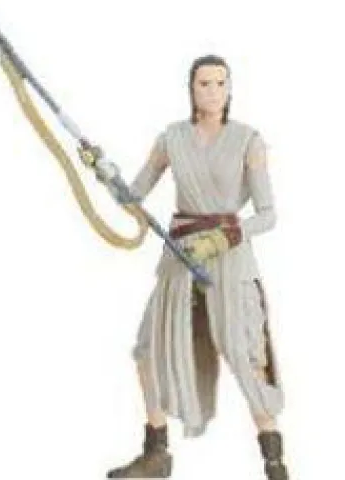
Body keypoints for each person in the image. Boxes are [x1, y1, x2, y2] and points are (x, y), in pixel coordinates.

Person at [105, 54, 289, 479]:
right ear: (191, 88)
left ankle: (275, 465)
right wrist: (106, 173)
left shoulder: (248, 141)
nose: (213, 91)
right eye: (204, 83)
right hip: (180, 256)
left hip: (229, 258)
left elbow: (267, 215)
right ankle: (156, 453)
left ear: (230, 88)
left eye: (220, 83)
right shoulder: (172, 139)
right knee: (148, 349)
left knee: (246, 353)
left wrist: (224, 237)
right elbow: (134, 193)